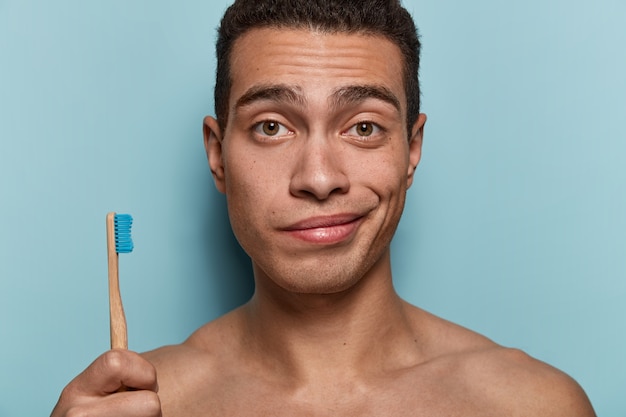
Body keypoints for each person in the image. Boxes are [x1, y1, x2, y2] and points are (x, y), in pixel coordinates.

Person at [51, 0, 596, 416]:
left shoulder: (531, 405)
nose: (318, 179)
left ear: (412, 150)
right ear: (217, 155)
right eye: (271, 126)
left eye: (364, 127)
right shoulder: (134, 405)